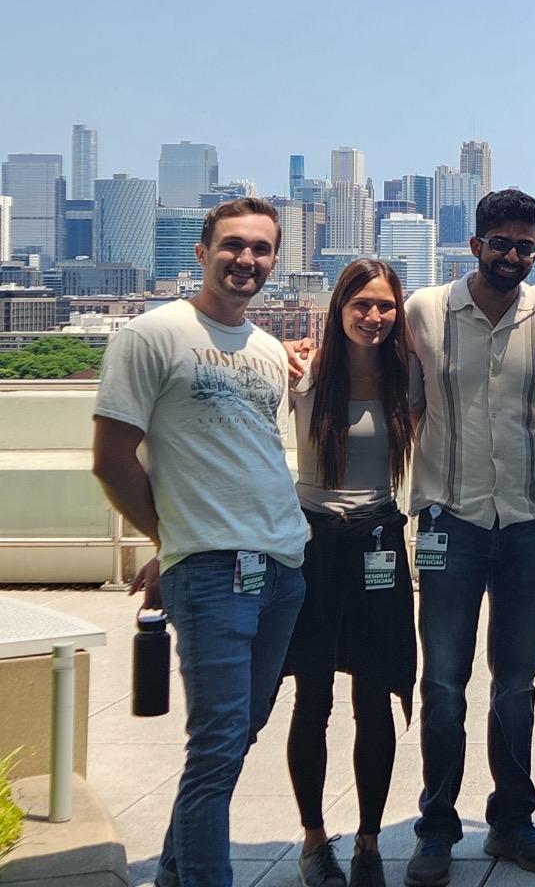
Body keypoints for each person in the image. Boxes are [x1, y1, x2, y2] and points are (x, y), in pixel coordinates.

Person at [93, 197, 308, 887]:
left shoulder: (271, 350)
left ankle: (176, 873)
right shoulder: (152, 334)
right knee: (217, 744)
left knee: (237, 735)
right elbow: (113, 458)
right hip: (213, 571)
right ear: (202, 252)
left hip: (282, 566)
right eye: (233, 246)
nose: (247, 260)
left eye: (261, 249)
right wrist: (174, 539)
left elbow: (246, 453)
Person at [403, 189, 535, 887]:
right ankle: (437, 827)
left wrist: (530, 422)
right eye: (500, 242)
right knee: (442, 682)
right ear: (474, 245)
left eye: (525, 245)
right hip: (450, 517)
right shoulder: (426, 309)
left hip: (528, 517)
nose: (512, 255)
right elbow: (400, 397)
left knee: (518, 682)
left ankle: (510, 820)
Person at [283, 258, 417, 887]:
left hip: (379, 543)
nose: (374, 316)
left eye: (386, 305)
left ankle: (368, 839)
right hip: (312, 545)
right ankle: (314, 838)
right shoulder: (304, 372)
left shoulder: (406, 378)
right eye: (361, 304)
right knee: (312, 699)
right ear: (339, 309)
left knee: (376, 698)